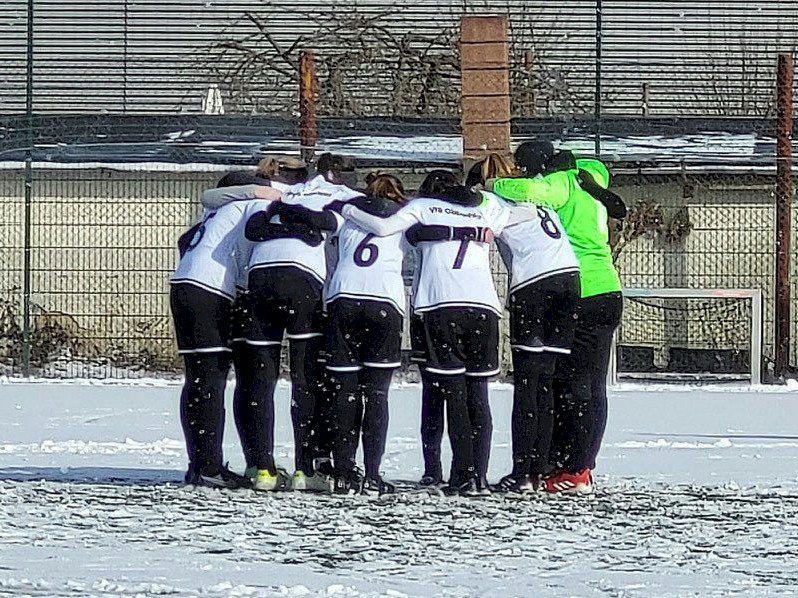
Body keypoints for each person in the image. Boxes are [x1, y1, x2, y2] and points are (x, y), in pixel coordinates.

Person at [341, 170, 519, 496]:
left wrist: (348, 209)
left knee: (452, 394)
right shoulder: (487, 205)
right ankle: (477, 475)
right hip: (483, 305)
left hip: (441, 304)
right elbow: (518, 213)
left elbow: (382, 227)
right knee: (478, 394)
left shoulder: (424, 207)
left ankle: (456, 473)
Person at [489, 142, 626, 494]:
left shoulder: (563, 182)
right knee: (593, 385)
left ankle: (571, 466)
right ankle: (582, 463)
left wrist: (494, 184)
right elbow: (595, 167)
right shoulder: (589, 179)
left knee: (571, 383)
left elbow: (530, 190)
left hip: (583, 287)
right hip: (609, 286)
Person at [243, 153, 363, 492]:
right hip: (303, 279)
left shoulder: (284, 192)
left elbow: (256, 228)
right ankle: (303, 467)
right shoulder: (344, 197)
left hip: (260, 276)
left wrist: (288, 215)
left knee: (261, 378)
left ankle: (263, 467)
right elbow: (328, 223)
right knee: (305, 376)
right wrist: (305, 226)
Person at [465, 154, 581, 493]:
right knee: (546, 383)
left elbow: (475, 211)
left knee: (528, 384)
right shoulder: (535, 199)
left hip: (535, 285)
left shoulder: (491, 200)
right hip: (569, 281)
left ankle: (522, 471)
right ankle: (542, 466)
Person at [170, 171, 282, 489]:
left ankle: (200, 464)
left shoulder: (215, 213)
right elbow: (252, 253)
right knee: (211, 379)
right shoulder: (248, 206)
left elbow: (184, 241)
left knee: (199, 377)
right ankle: (209, 467)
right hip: (210, 291)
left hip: (183, 285)